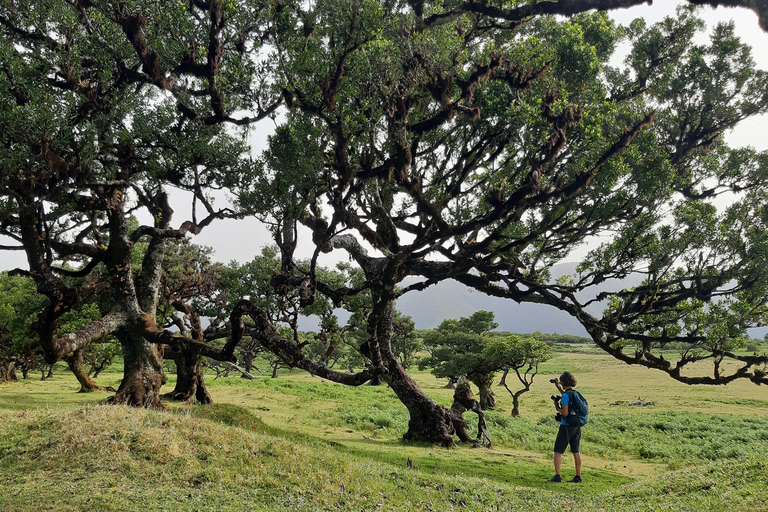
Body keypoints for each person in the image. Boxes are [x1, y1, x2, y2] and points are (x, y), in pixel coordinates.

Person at [549, 371, 582, 483]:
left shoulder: (565, 397)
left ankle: (557, 476)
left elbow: (565, 413)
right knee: (576, 451)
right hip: (577, 425)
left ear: (563, 382)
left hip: (566, 426)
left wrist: (557, 407)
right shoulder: (575, 393)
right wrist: (557, 386)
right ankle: (578, 477)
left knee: (558, 451)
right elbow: (565, 394)